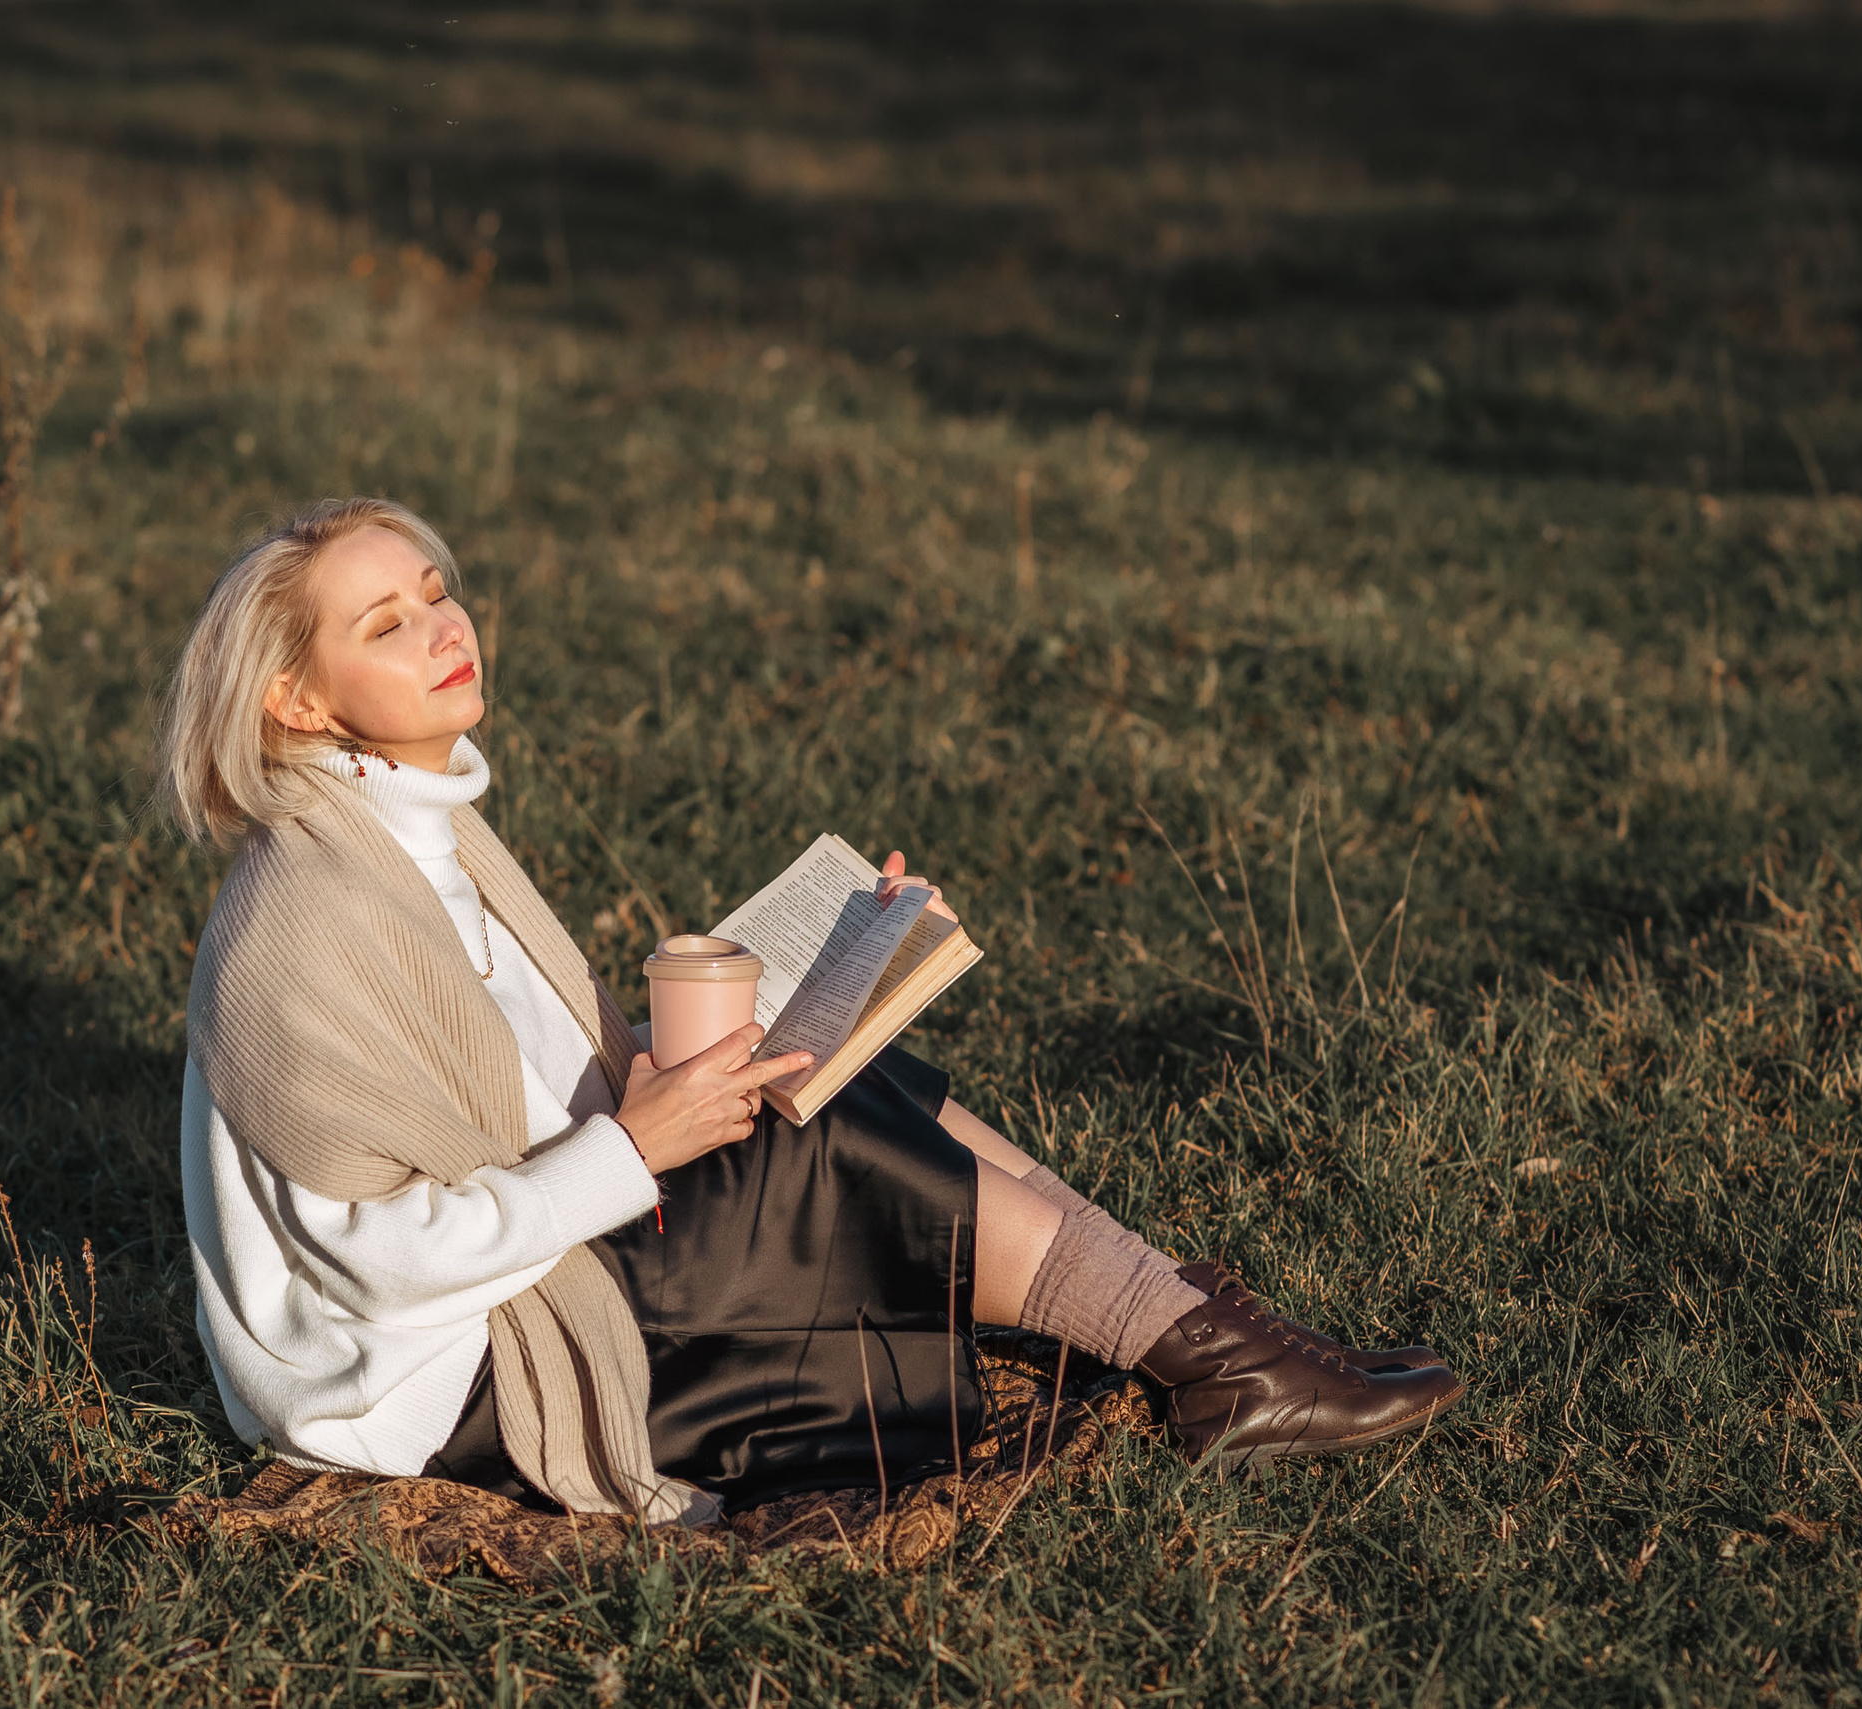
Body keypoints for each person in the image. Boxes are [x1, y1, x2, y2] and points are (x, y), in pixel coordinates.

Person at [158, 497, 1462, 1527]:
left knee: (852, 1075)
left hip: (529, 1258)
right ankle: (1221, 1364)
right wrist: (635, 1149)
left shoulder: (417, 838)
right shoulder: (306, 922)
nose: (445, 626)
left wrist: (828, 969)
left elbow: (536, 1085)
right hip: (443, 1385)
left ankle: (1214, 1341)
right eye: (383, 623)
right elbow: (372, 1259)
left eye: (437, 592)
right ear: (296, 699)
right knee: (830, 1145)